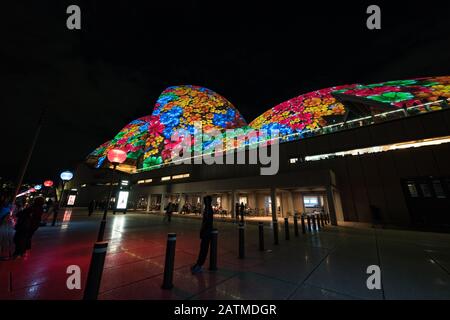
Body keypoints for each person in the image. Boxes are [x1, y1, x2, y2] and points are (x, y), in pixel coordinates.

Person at [191, 196, 214, 274]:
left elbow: (206, 221)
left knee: (204, 248)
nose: (205, 202)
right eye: (204, 201)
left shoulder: (208, 209)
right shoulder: (207, 209)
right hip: (206, 231)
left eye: (206, 201)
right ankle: (199, 263)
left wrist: (202, 229)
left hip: (206, 232)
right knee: (203, 248)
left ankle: (200, 265)